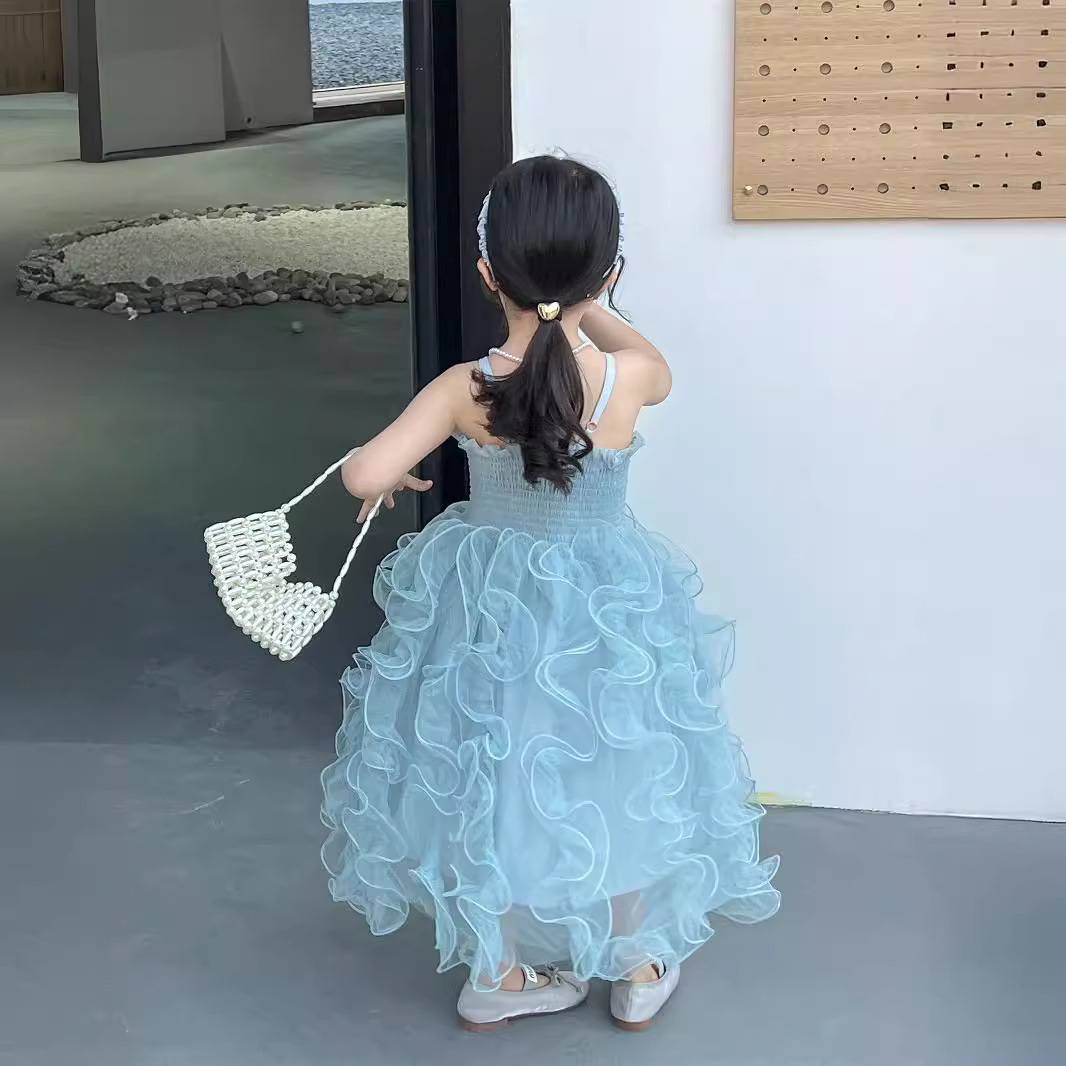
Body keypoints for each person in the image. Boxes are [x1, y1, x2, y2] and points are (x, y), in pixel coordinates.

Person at [320, 155, 780, 1033]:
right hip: (608, 608)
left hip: (493, 613)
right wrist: (584, 302)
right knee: (620, 768)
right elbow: (654, 361)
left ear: (486, 273)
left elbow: (366, 475)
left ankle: (497, 974)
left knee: (489, 773)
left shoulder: (464, 388)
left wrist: (383, 468)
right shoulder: (626, 378)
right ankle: (636, 964)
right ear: (608, 276)